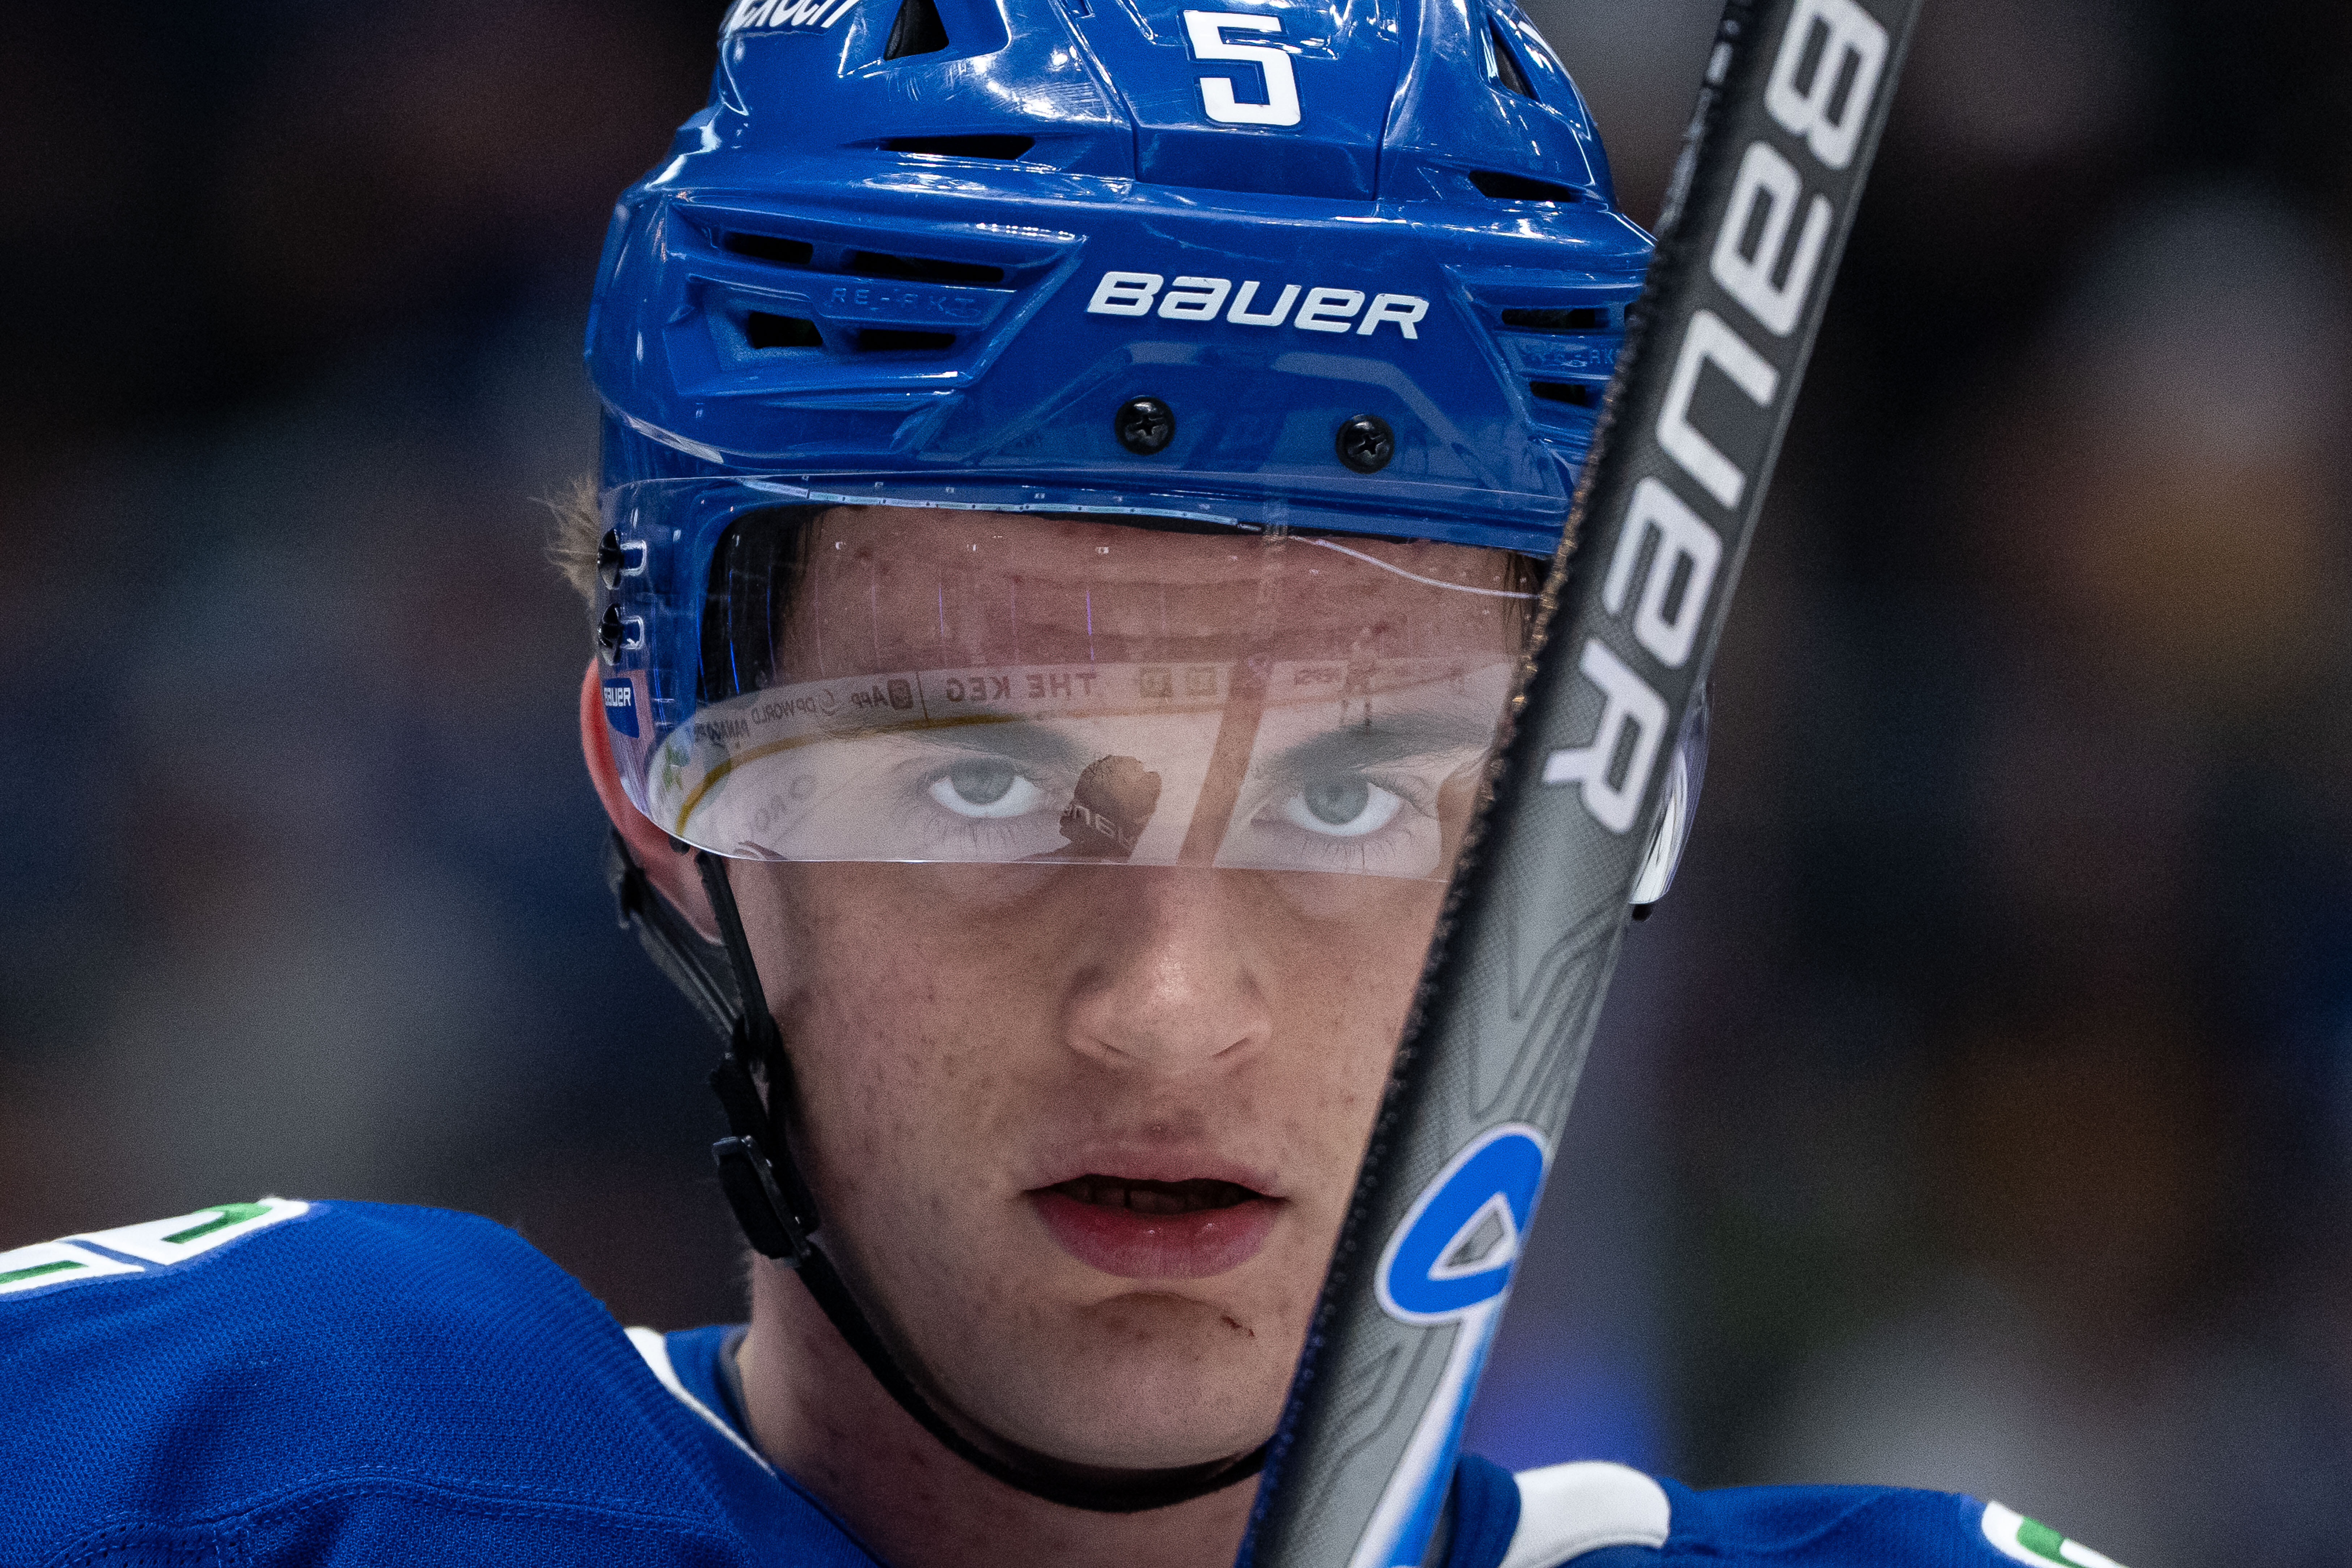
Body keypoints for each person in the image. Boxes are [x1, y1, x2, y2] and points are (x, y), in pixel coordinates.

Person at [0, 2, 2122, 1565]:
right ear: (658, 786)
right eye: (978, 793)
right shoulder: (205, 1480)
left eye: (1351, 802)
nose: (1169, 1013)